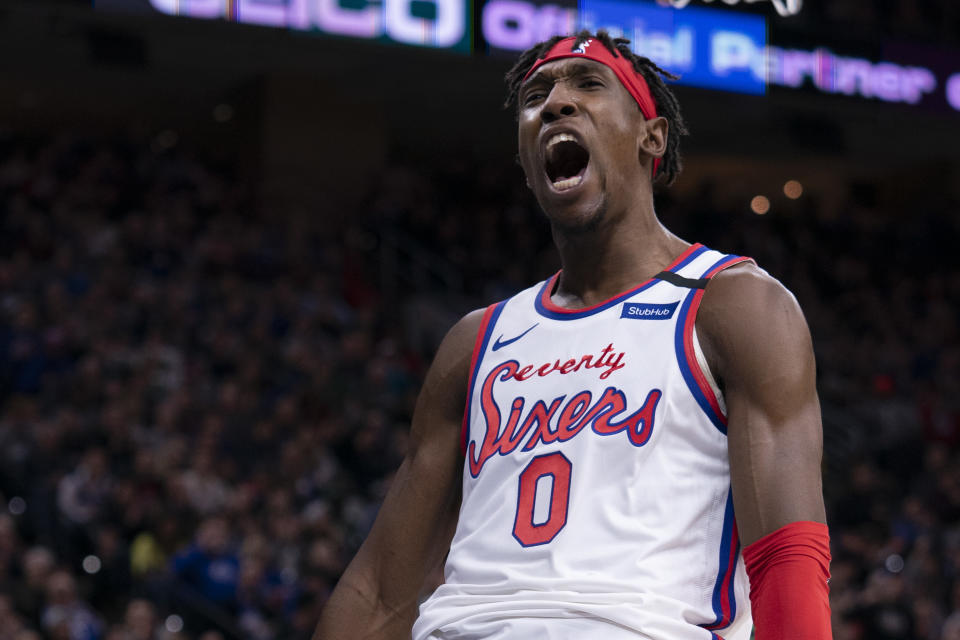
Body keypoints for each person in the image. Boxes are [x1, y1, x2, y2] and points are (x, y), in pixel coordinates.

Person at [315, 30, 831, 639]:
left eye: (588, 85)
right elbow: (377, 592)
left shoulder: (732, 304)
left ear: (652, 136)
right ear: (526, 164)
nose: (555, 103)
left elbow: (788, 557)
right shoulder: (476, 340)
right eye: (536, 96)